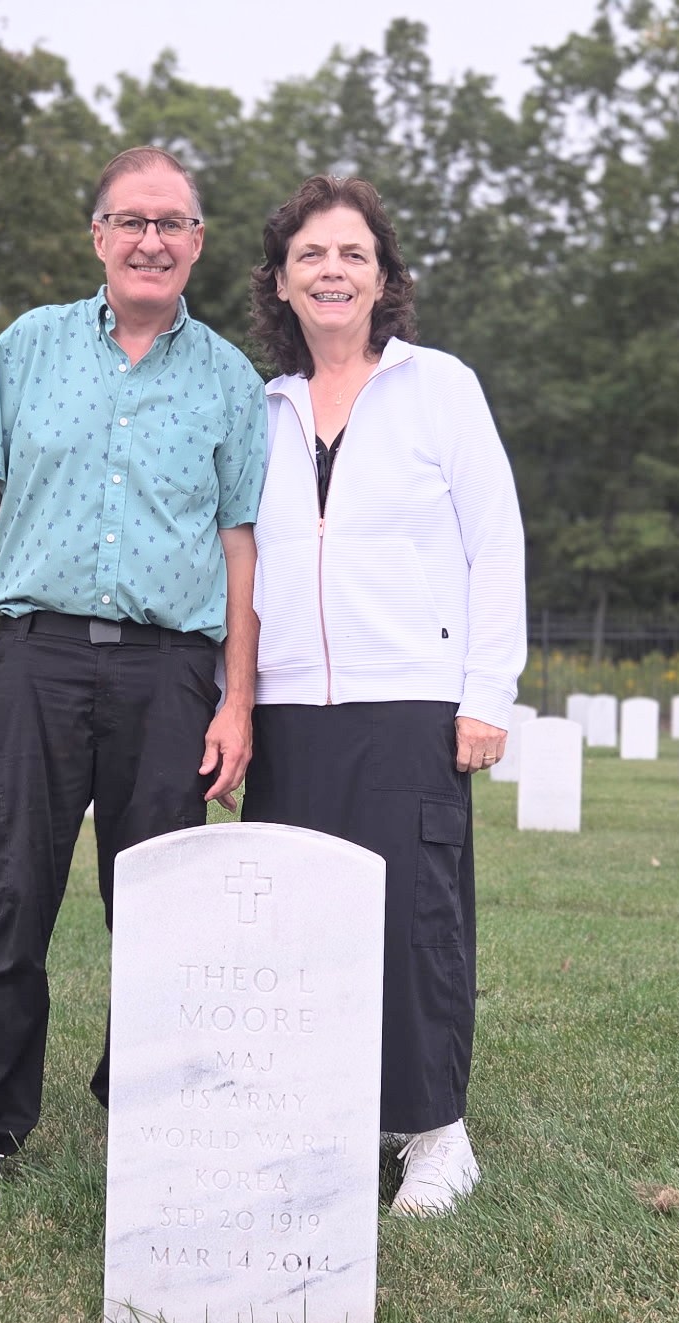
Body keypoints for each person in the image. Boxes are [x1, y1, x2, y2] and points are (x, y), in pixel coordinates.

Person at [0, 147, 268, 1231]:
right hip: (37, 658)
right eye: (131, 221)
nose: (150, 241)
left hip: (170, 671)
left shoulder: (229, 380)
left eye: (172, 224)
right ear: (99, 236)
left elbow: (242, 547)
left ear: (197, 244)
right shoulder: (26, 348)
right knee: (13, 897)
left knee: (160, 910)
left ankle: (150, 1115)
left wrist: (238, 699)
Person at [243, 175, 526, 1216]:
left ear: (382, 277)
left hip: (410, 700)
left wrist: (485, 691)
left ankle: (436, 1134)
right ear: (281, 281)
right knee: (298, 928)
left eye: (352, 254)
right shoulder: (257, 408)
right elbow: (237, 561)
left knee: (414, 920)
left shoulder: (438, 387)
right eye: (310, 255)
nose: (332, 271)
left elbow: (495, 543)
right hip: (284, 711)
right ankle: (322, 1115)